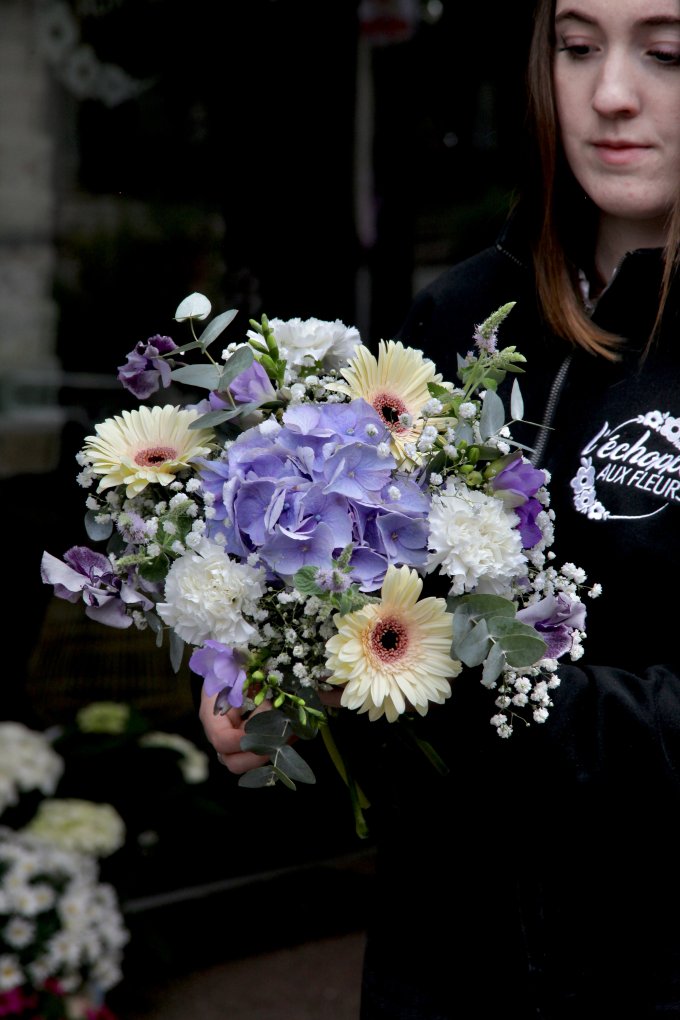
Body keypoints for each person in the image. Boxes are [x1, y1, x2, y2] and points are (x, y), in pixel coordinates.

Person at [199, 0, 680, 1015]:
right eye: (577, 46)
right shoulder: (458, 313)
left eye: (666, 52)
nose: (608, 95)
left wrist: (448, 675)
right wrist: (293, 696)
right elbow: (376, 652)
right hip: (441, 965)